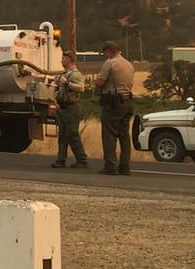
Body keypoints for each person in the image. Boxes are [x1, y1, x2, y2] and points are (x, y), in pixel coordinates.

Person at [94, 40, 135, 175]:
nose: (105, 55)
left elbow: (101, 82)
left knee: (109, 134)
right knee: (124, 135)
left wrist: (95, 81)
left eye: (105, 53)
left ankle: (110, 166)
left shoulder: (110, 63)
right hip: (128, 101)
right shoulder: (129, 64)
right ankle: (125, 166)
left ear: (109, 51)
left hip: (114, 102)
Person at [51, 51, 89, 168]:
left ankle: (82, 160)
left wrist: (67, 83)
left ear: (69, 60)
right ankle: (61, 160)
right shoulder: (64, 74)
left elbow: (81, 88)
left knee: (72, 134)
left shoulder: (75, 75)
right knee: (63, 134)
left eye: (63, 58)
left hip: (71, 107)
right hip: (63, 107)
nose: (61, 60)